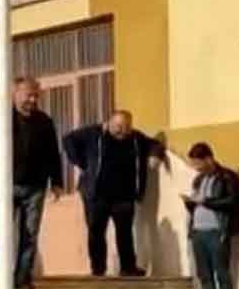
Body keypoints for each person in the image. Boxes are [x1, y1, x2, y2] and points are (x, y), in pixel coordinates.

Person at [0, 76, 63, 289]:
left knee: (30, 233)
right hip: (6, 183)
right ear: (14, 94)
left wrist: (56, 182)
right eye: (29, 95)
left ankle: (23, 278)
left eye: (36, 95)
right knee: (1, 232)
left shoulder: (44, 122)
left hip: (35, 186)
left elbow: (53, 154)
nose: (33, 100)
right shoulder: (1, 117)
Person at [63, 110, 165, 277]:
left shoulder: (135, 138)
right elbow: (68, 140)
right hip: (96, 194)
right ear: (108, 122)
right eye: (118, 126)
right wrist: (82, 162)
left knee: (124, 232)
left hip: (124, 194)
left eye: (126, 127)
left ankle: (128, 267)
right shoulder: (93, 133)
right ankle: (98, 269)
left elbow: (155, 144)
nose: (122, 131)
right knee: (96, 232)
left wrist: (155, 155)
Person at [182, 142, 239, 289]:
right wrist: (190, 202)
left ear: (209, 158)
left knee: (221, 271)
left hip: (217, 230)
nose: (196, 168)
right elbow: (197, 204)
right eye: (193, 165)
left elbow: (232, 202)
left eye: (198, 164)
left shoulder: (227, 177)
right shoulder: (199, 180)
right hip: (198, 231)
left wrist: (206, 201)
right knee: (204, 274)